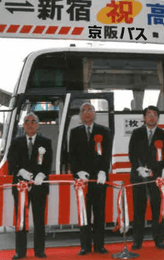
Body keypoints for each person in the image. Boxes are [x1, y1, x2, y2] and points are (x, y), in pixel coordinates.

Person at [8, 112, 53, 259]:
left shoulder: (46, 142)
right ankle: (20, 252)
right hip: (20, 186)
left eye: (33, 121)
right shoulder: (16, 142)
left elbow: (48, 163)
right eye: (27, 121)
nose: (30, 124)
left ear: (38, 125)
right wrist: (20, 171)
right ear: (23, 125)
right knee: (20, 219)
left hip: (39, 187)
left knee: (39, 220)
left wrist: (42, 174)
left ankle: (39, 251)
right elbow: (11, 162)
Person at [69, 102, 112, 255]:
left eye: (90, 110)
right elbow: (72, 156)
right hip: (82, 181)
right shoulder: (75, 132)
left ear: (95, 113)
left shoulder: (104, 131)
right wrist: (77, 172)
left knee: (100, 213)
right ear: (80, 115)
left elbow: (107, 154)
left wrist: (103, 171)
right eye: (84, 110)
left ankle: (99, 245)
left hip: (99, 179)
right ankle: (85, 246)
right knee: (84, 212)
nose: (87, 113)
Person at [129, 105, 164, 250]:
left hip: (156, 177)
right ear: (144, 117)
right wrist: (138, 168)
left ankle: (159, 240)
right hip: (138, 177)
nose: (151, 117)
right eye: (149, 114)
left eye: (154, 114)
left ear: (158, 118)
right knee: (138, 210)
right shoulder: (136, 133)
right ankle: (137, 241)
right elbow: (132, 154)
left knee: (157, 209)